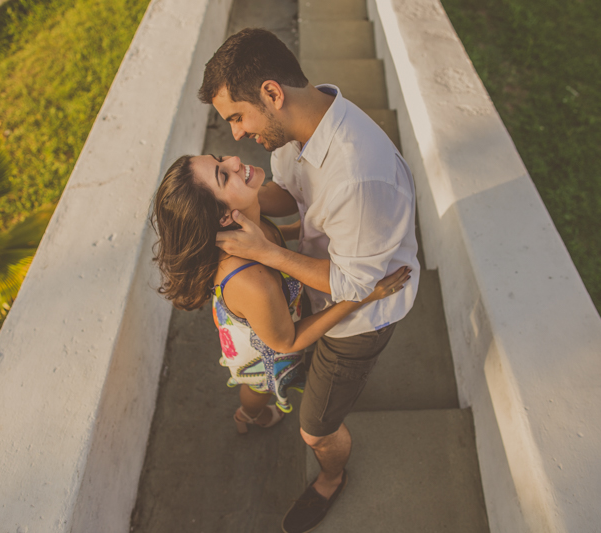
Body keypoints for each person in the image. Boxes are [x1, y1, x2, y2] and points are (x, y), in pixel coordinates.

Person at [199, 28, 420, 533]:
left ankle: (332, 477)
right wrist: (246, 204)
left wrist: (266, 250)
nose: (234, 136)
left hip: (354, 322)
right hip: (319, 289)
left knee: (315, 428)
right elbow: (290, 194)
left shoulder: (358, 177)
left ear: (273, 93)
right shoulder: (300, 127)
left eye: (237, 117)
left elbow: (352, 285)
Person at [150, 154, 410, 436]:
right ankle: (248, 415)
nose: (235, 160)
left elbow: (277, 239)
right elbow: (288, 340)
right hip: (262, 348)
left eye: (220, 159)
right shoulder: (254, 283)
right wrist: (363, 295)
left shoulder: (247, 224)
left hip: (263, 311)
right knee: (258, 386)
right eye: (223, 176)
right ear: (224, 216)